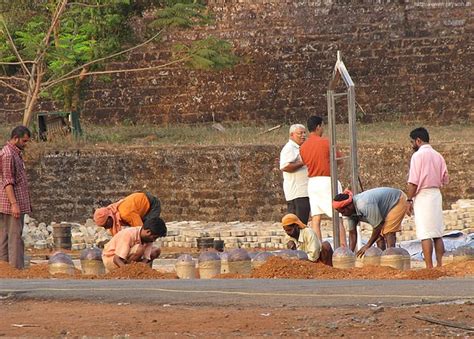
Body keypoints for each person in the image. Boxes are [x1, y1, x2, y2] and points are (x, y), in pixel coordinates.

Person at [299, 116, 346, 246]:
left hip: (313, 183)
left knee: (316, 217)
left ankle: (317, 247)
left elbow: (304, 162)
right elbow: (340, 160)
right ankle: (343, 246)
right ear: (318, 126)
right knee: (337, 217)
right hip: (327, 181)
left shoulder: (303, 147)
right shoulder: (326, 142)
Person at [407, 127, 448, 268]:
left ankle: (429, 267)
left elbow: (413, 182)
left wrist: (409, 200)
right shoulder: (438, 155)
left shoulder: (417, 156)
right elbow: (445, 179)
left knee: (425, 233)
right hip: (436, 194)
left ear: (418, 140)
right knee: (437, 233)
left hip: (422, 195)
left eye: (412, 142)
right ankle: (440, 265)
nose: (412, 145)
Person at [332, 187, 408, 257]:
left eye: (342, 211)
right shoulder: (350, 213)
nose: (342, 214)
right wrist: (350, 254)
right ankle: (381, 261)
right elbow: (352, 233)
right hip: (383, 208)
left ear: (349, 206)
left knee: (388, 232)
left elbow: (378, 226)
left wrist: (367, 245)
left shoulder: (363, 204)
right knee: (378, 236)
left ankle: (391, 258)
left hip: (397, 200)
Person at [0, 126, 32, 269]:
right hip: (10, 204)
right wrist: (14, 204)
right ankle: (16, 270)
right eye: (24, 141)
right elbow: (8, 181)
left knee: (5, 237)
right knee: (14, 238)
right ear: (15, 138)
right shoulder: (8, 155)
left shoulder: (15, 154)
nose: (25, 144)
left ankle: (6, 269)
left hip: (11, 203)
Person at [102, 218, 167, 272]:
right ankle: (128, 270)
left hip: (126, 258)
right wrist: (128, 271)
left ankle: (134, 269)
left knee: (156, 251)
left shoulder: (148, 238)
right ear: (148, 232)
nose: (154, 240)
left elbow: (146, 258)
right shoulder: (128, 234)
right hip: (111, 259)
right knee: (139, 249)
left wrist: (143, 269)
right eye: (154, 237)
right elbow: (116, 259)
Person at [279, 124, 310, 224]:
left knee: (302, 220)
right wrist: (303, 162)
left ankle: (298, 239)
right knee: (298, 221)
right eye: (300, 133)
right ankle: (296, 239)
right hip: (297, 192)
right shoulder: (289, 148)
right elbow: (285, 166)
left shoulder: (301, 148)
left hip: (304, 190)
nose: (303, 135)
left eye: (304, 133)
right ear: (292, 135)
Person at [93, 192, 161, 235]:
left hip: (151, 204)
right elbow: (117, 238)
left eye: (105, 225)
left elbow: (139, 229)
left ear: (109, 218)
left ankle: (149, 252)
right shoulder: (112, 213)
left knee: (148, 231)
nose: (105, 228)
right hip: (139, 208)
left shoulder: (125, 213)